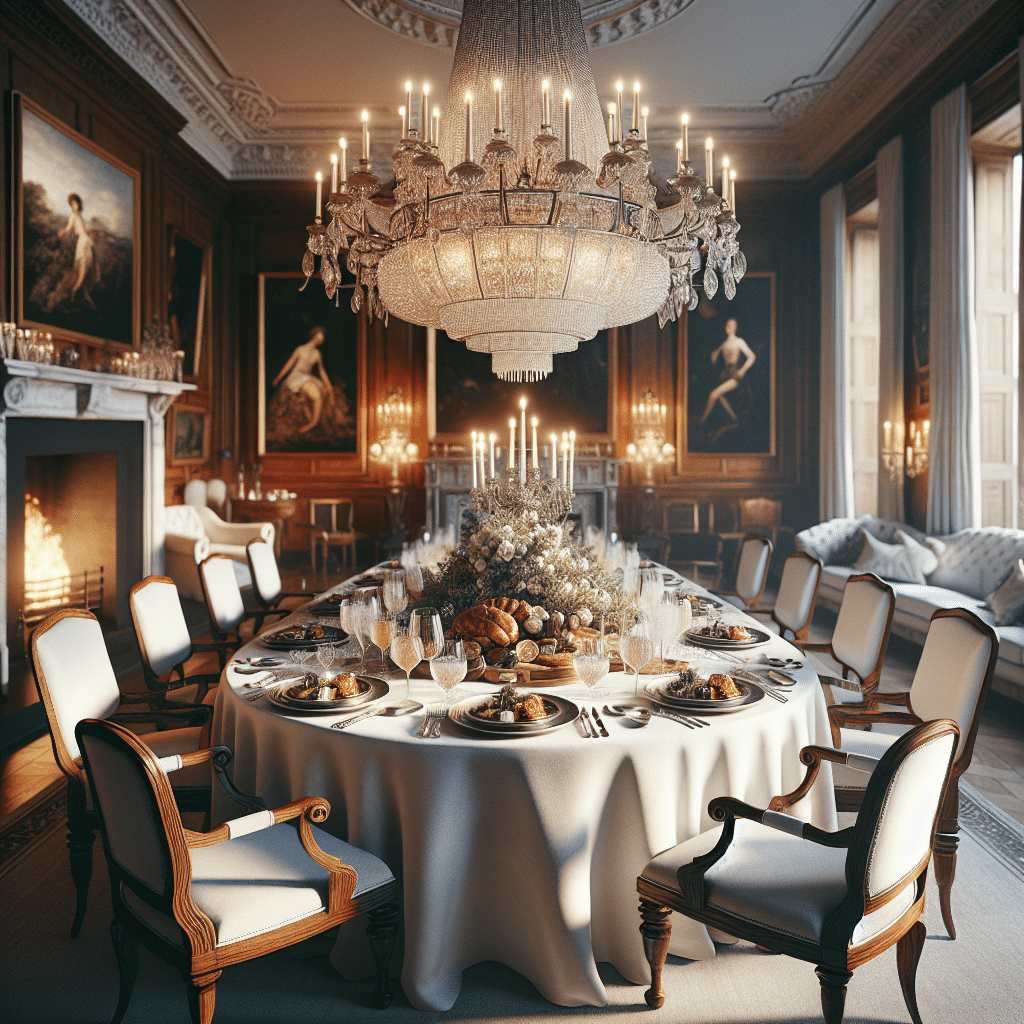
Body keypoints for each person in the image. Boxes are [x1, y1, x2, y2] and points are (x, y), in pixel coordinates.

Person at [271, 326, 334, 433]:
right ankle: (313, 423)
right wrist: (278, 378)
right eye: (321, 337)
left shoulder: (317, 354)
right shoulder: (300, 349)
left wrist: (329, 386)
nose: (322, 340)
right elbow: (289, 364)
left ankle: (321, 421)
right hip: (296, 378)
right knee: (316, 395)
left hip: (307, 377)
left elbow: (322, 371)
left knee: (325, 390)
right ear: (315, 336)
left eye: (322, 338)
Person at [699, 318, 756, 428]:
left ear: (736, 327)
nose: (729, 327)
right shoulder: (724, 343)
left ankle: (701, 422)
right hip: (726, 375)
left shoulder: (739, 341)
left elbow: (752, 356)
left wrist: (742, 370)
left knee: (714, 394)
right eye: (727, 325)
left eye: (732, 325)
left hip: (735, 375)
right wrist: (713, 356)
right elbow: (714, 357)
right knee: (720, 397)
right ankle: (735, 419)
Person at [58, 193, 96, 309]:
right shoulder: (73, 216)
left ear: (79, 204)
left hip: (87, 243)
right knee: (82, 275)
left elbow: (84, 230)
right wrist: (62, 233)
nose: (74, 206)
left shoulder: (79, 216)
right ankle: (72, 296)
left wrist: (90, 233)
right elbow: (69, 228)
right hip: (83, 245)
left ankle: (82, 298)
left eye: (76, 203)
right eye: (72, 204)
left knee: (86, 274)